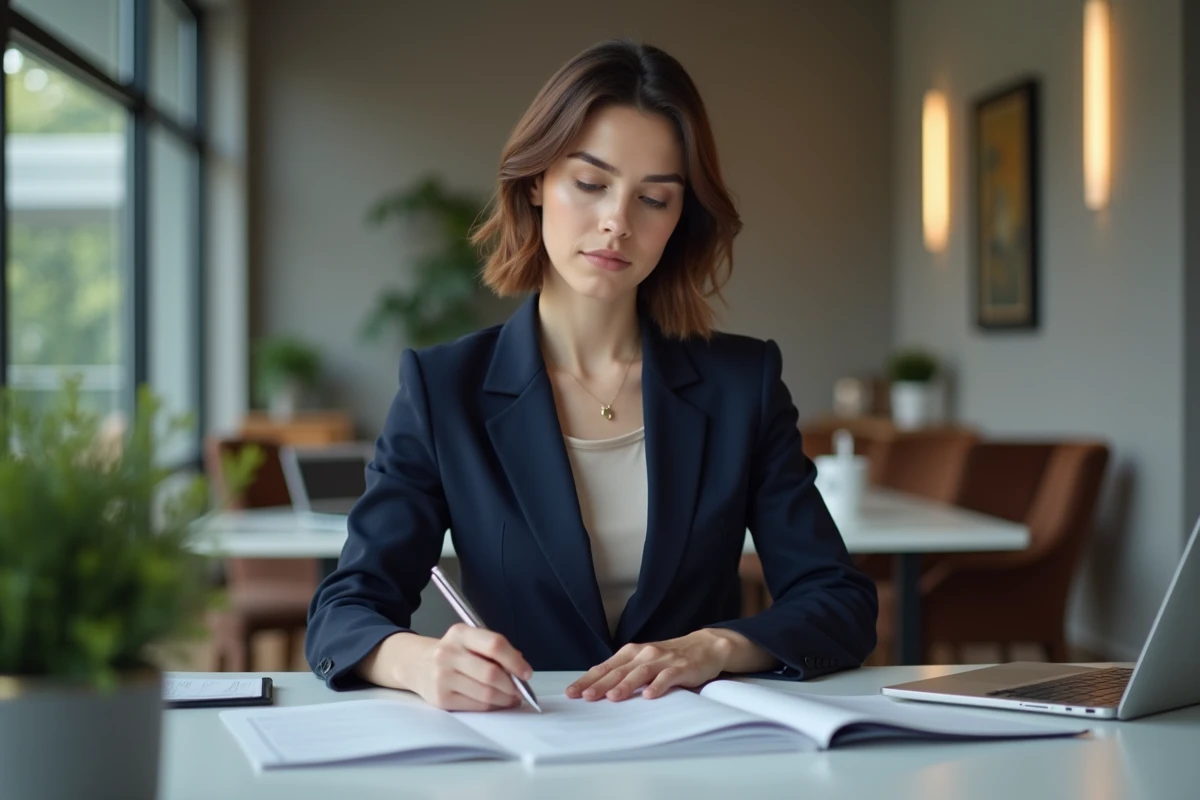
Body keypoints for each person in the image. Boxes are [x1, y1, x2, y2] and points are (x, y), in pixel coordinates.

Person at [305, 38, 877, 711]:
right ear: (536, 184)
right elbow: (345, 610)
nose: (617, 223)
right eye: (590, 183)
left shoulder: (741, 385)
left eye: (654, 199)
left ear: (679, 221)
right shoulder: (444, 389)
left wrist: (717, 647)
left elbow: (838, 601)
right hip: (525, 746)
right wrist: (421, 661)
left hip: (701, 755)